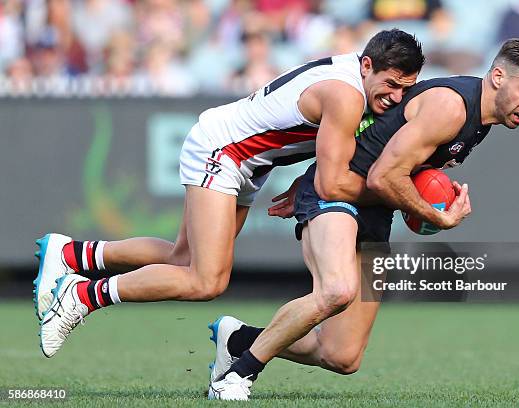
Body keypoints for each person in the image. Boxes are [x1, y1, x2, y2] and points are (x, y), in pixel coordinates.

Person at [36, 29, 425, 358]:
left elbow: (327, 148)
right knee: (206, 281)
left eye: (403, 89)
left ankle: (69, 254)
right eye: (390, 84)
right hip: (224, 151)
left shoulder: (351, 77)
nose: (394, 97)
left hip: (243, 158)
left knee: (182, 257)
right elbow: (332, 182)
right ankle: (82, 296)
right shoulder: (346, 95)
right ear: (367, 65)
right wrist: (397, 193)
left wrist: (305, 180)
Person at [207, 38, 519, 400]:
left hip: (374, 210)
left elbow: (393, 163)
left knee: (342, 355)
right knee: (335, 291)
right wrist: (434, 215)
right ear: (498, 76)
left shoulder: (480, 121)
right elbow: (382, 178)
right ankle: (236, 376)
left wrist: (422, 199)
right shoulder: (451, 107)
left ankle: (239, 339)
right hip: (337, 193)